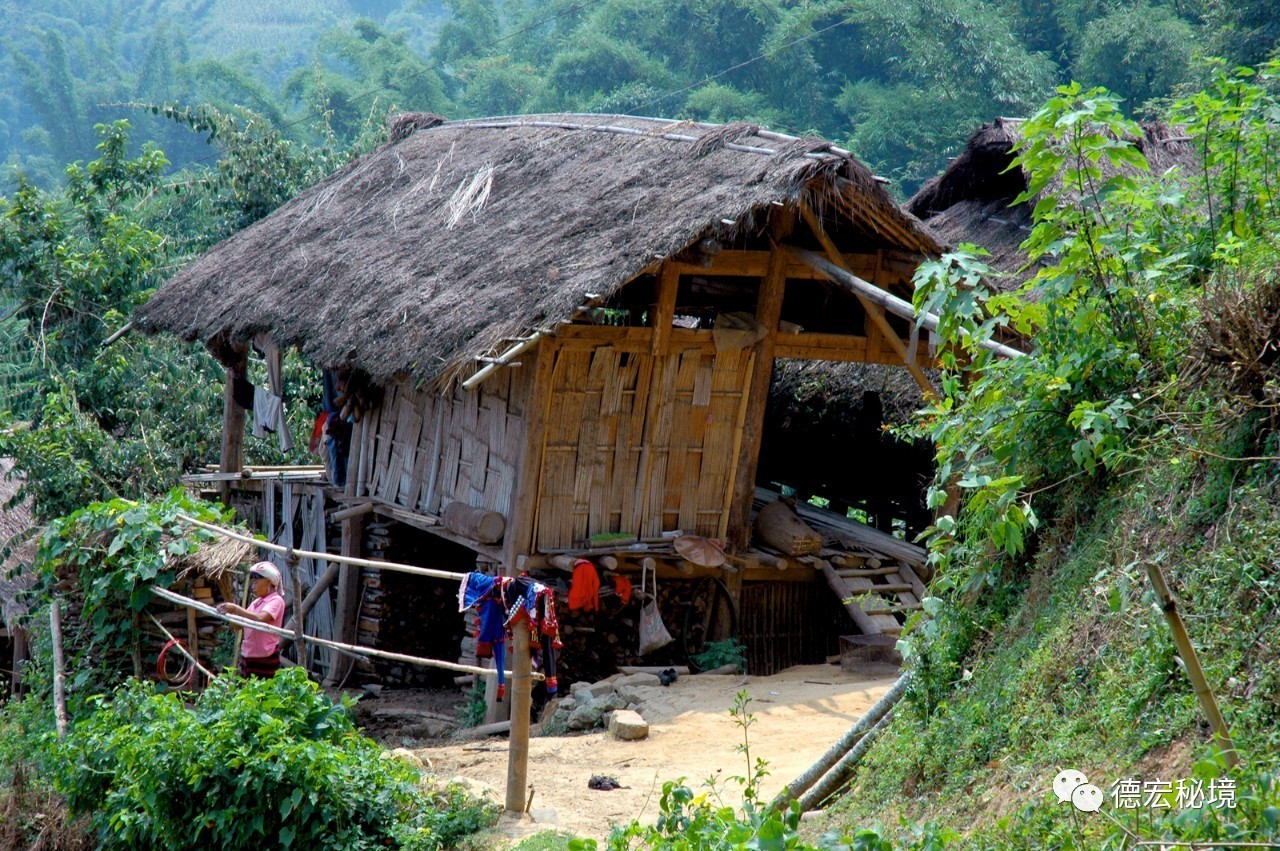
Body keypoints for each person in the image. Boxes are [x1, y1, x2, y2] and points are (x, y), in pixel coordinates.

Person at [217, 562, 286, 678]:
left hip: (265, 657)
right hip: (249, 655)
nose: (252, 585)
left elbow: (261, 618)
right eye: (252, 581)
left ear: (268, 581)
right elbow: (238, 626)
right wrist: (231, 613)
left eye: (256, 581)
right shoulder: (256, 603)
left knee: (265, 692)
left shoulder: (276, 601)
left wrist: (236, 609)